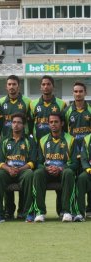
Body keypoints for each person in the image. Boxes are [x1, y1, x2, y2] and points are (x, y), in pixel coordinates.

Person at [33, 112, 79, 222]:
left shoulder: (71, 139)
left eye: (56, 122)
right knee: (38, 173)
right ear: (48, 124)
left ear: (62, 123)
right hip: (47, 172)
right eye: (51, 122)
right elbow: (38, 162)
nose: (53, 124)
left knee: (68, 173)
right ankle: (40, 212)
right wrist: (46, 168)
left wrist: (60, 168)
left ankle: (66, 211)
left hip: (63, 172)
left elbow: (75, 164)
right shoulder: (43, 140)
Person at [0, 75, 32, 219]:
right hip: (6, 143)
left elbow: (29, 122)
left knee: (26, 176)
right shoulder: (0, 103)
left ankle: (23, 211)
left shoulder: (27, 102)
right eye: (9, 84)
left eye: (14, 84)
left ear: (19, 86)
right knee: (3, 175)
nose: (11, 87)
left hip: (22, 143)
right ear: (6, 86)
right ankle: (7, 210)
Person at [0, 113, 36, 223]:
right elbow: (1, 162)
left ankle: (28, 213)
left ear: (24, 126)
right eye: (14, 122)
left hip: (23, 171)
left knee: (30, 174)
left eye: (19, 123)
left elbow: (32, 162)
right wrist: (9, 169)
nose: (16, 125)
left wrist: (19, 169)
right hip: (7, 171)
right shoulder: (4, 141)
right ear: (11, 124)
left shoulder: (29, 141)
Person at [63, 82, 91, 217]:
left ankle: (89, 208)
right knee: (74, 180)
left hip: (88, 153)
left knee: (87, 178)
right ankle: (72, 209)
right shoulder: (67, 112)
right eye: (76, 91)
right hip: (73, 153)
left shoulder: (90, 110)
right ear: (72, 93)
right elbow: (64, 133)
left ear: (85, 93)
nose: (78, 94)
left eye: (81, 91)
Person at [30, 75, 67, 142]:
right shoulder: (33, 104)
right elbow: (30, 124)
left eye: (48, 84)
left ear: (53, 87)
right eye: (43, 84)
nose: (46, 87)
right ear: (40, 87)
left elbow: (64, 126)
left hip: (56, 144)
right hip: (38, 143)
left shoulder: (62, 104)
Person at [76, 133, 91, 222]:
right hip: (90, 170)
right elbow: (84, 157)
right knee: (82, 178)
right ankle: (80, 213)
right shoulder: (87, 138)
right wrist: (88, 169)